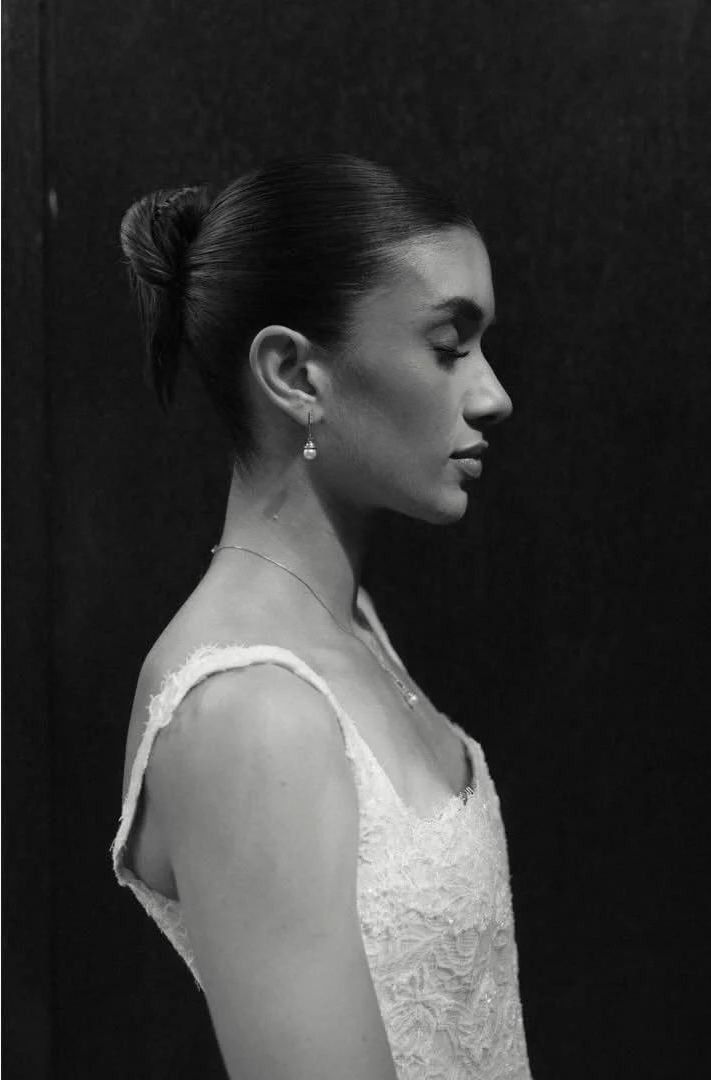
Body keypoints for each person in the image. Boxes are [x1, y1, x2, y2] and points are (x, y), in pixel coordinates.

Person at [109, 153, 532, 1080]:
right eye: (449, 346)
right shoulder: (247, 712)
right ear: (294, 372)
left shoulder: (348, 624)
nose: (493, 394)